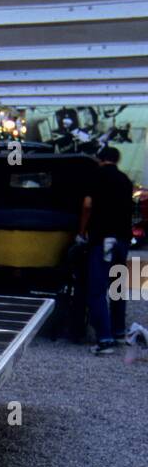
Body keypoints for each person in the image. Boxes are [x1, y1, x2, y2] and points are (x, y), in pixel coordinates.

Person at [84, 146, 133, 354]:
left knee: (96, 290)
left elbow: (87, 204)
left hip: (103, 238)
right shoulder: (125, 180)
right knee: (118, 287)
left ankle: (104, 339)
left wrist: (82, 231)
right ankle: (119, 332)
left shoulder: (96, 176)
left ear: (99, 159)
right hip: (123, 239)